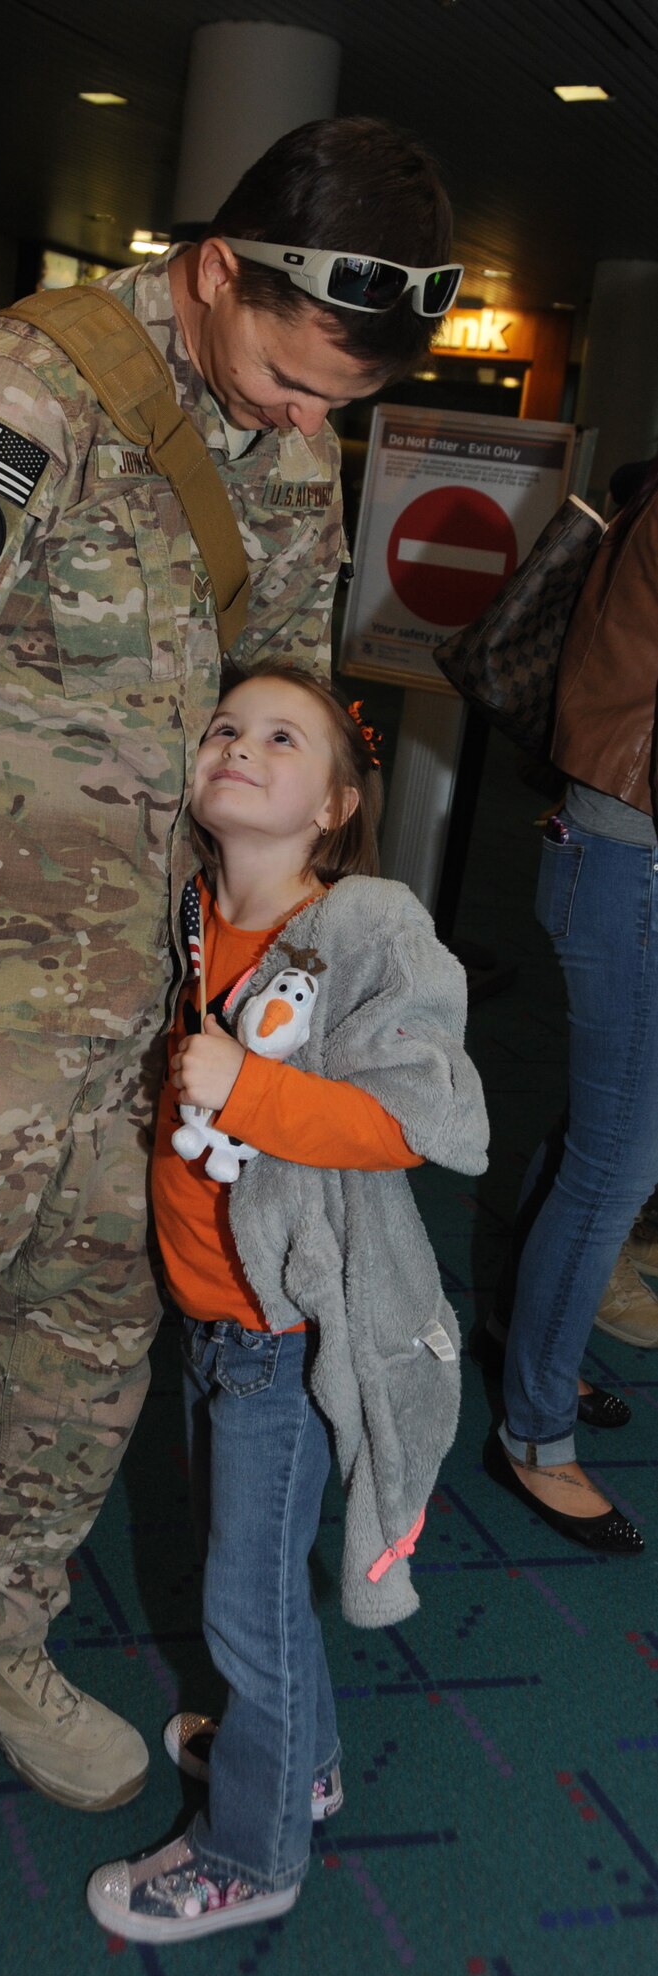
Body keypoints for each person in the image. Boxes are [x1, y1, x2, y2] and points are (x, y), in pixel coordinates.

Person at [0, 117, 456, 1976]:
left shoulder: (289, 432)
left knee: (76, 1380)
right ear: (216, 268)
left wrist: (276, 997)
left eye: (332, 403)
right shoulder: (20, 398)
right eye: (288, 377)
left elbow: (276, 714)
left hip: (157, 1038)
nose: (305, 425)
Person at [86, 668, 487, 1944]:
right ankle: (298, 1757)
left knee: (240, 1607)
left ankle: (252, 1853)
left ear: (335, 803)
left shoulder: (364, 927)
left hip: (286, 1338)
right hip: (213, 1324)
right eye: (221, 727)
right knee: (251, 1580)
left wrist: (245, 1090)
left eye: (280, 736)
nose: (237, 746)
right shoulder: (192, 912)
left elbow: (423, 1122)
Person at [481, 458, 658, 1551]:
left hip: (612, 854)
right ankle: (532, 1434)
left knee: (599, 1130)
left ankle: (516, 1328)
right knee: (613, 1163)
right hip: (630, 866)